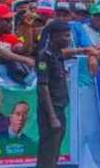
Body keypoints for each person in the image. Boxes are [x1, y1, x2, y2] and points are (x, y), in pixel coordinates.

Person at [36, 19, 72, 168]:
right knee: (48, 153)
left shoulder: (57, 53)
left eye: (69, 35)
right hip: (50, 110)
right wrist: (52, 117)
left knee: (55, 150)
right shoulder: (45, 55)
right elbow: (43, 87)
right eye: (65, 36)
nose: (68, 39)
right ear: (54, 36)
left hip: (60, 108)